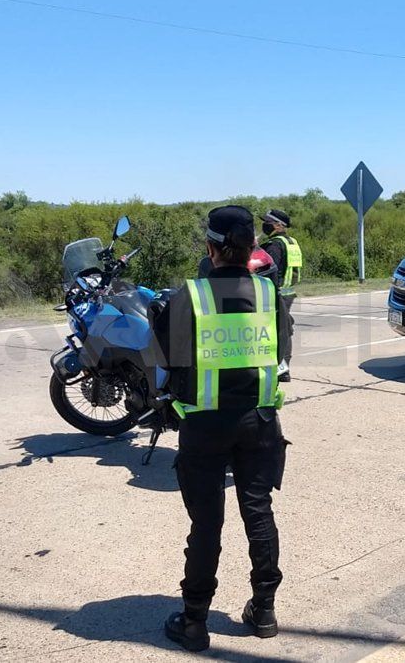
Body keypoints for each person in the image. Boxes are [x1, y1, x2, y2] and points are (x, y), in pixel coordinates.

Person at [150, 205, 291, 652]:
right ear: (253, 247)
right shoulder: (270, 294)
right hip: (260, 423)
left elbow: (165, 365)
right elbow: (282, 358)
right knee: (259, 512)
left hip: (205, 427)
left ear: (210, 248)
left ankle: (194, 622)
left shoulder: (187, 296)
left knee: (206, 523)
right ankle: (263, 611)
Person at [260, 209, 301, 380]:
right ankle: (283, 369)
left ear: (278, 225)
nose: (265, 225)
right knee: (284, 330)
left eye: (268, 222)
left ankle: (282, 371)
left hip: (276, 293)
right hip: (288, 292)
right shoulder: (291, 242)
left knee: (277, 331)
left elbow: (271, 271)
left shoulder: (275, 245)